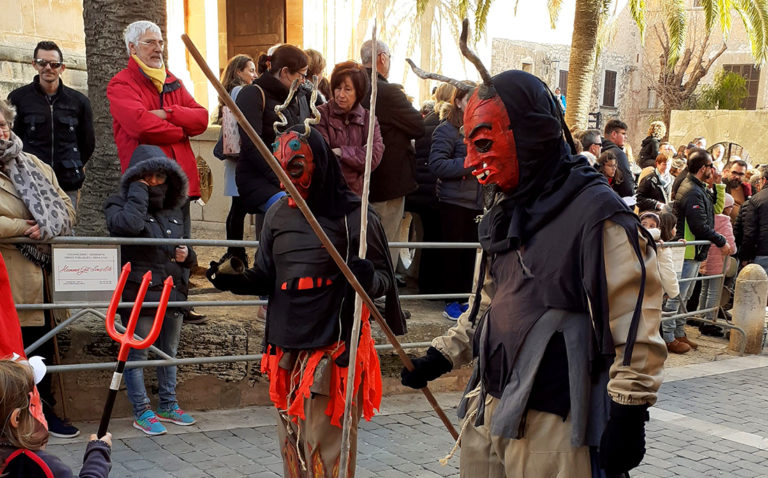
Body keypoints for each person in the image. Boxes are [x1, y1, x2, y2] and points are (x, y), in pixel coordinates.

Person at [401, 51, 665, 476]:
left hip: (556, 424)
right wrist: (441, 356)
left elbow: (635, 322)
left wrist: (629, 412)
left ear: (529, 134)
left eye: (483, 143)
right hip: (491, 405)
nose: (469, 161)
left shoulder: (599, 213)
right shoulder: (505, 212)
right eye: (468, 145)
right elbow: (488, 306)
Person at [206, 123, 405, 477]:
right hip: (286, 348)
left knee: (326, 454)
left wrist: (366, 277)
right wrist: (230, 280)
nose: (285, 181)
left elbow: (384, 281)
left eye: (294, 168)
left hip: (333, 350)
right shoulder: (277, 214)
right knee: (293, 451)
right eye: (279, 169)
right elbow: (266, 277)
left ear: (319, 164)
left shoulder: (356, 217)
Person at [107, 20, 208, 324]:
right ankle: (148, 304)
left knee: (182, 245)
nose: (158, 48)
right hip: (148, 184)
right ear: (133, 48)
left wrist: (167, 113)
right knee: (150, 247)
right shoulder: (121, 84)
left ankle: (180, 302)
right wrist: (179, 129)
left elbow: (202, 119)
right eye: (150, 42)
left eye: (161, 42)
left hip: (181, 182)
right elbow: (139, 125)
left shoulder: (172, 81)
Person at [104, 144, 198, 435]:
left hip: (173, 289)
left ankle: (168, 404)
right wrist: (139, 191)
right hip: (140, 292)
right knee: (138, 352)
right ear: (135, 177)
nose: (155, 181)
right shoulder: (117, 203)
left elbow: (187, 244)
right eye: (148, 176)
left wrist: (189, 257)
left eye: (160, 176)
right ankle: (141, 410)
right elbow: (129, 226)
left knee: (168, 350)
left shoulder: (178, 204)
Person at [0, 99, 77, 438]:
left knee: (47, 346)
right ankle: (16, 418)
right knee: (19, 351)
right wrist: (23, 227)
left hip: (47, 274)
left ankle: (46, 410)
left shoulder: (34, 164)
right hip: (13, 278)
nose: (1, 130)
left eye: (3, 123)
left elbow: (66, 209)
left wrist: (47, 225)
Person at [360, 39, 425, 263]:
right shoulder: (386, 92)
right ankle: (379, 293)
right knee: (384, 245)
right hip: (387, 183)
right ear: (382, 58)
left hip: (359, 179)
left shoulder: (355, 87)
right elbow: (418, 125)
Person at [7, 41, 94, 209]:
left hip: (67, 181)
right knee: (33, 228)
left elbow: (87, 142)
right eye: (42, 63)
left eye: (54, 64)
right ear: (34, 64)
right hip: (31, 180)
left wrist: (73, 163)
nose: (48, 68)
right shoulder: (18, 98)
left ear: (62, 68)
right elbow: (12, 138)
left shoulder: (79, 101)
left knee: (66, 230)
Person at [665, 148, 729, 354]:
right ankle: (668, 337)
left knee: (686, 294)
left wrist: (718, 184)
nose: (713, 169)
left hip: (694, 252)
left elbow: (716, 209)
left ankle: (679, 332)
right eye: (711, 165)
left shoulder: (699, 187)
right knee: (678, 295)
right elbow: (698, 225)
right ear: (703, 168)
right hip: (686, 252)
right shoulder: (692, 190)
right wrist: (721, 240)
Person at [0, 360, 112, 477]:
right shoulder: (41, 466)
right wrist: (98, 453)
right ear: (17, 418)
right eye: (35, 406)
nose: (41, 415)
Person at [235, 44, 310, 217]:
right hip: (258, 178)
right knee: (289, 215)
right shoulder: (252, 94)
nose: (304, 81)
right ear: (285, 72)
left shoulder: (293, 97)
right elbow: (253, 145)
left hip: (288, 178)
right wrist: (281, 179)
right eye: (301, 75)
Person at [428, 81, 481, 315]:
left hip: (476, 202)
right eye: (470, 98)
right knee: (452, 254)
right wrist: (469, 164)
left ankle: (464, 300)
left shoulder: (479, 128)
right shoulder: (446, 130)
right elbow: (437, 165)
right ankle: (450, 301)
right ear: (458, 101)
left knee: (470, 254)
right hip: (453, 202)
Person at [213, 54, 257, 267]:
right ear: (239, 71)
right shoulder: (241, 91)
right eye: (250, 70)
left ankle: (234, 251)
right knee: (238, 209)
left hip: (234, 156)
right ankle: (236, 253)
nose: (254, 75)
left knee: (236, 208)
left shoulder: (230, 91)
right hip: (240, 157)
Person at [315, 61, 383, 196]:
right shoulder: (320, 114)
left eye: (347, 89)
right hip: (327, 194)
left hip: (356, 196)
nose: (341, 95)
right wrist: (358, 157)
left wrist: (341, 152)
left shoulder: (368, 119)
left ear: (358, 92)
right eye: (337, 88)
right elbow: (323, 157)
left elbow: (373, 157)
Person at [699, 193, 736, 321]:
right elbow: (731, 247)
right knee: (714, 292)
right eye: (731, 206)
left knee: (704, 290)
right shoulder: (724, 221)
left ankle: (700, 316)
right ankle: (709, 321)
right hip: (719, 263)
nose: (732, 209)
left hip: (705, 260)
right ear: (726, 207)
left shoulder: (707, 218)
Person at [741, 166, 768, 275]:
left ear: (764, 180)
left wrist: (745, 256)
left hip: (762, 253)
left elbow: (750, 232)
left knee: (758, 289)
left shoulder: (756, 199)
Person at [601, 119, 635, 197]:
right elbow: (626, 186)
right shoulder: (618, 154)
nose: (626, 137)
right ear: (614, 134)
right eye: (623, 134)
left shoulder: (598, 150)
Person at [722, 158, 752, 222]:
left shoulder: (748, 189)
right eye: (734, 173)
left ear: (745, 175)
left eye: (741, 174)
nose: (737, 176)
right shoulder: (721, 186)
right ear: (728, 172)